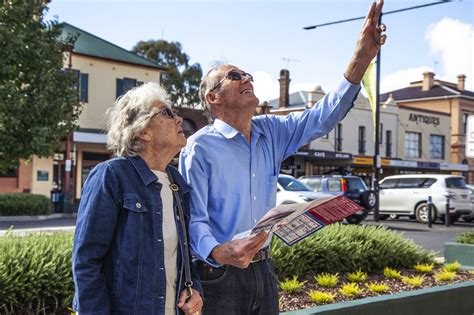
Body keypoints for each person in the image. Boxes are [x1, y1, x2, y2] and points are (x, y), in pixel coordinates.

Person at [179, 1, 387, 314]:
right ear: (213, 98)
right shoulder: (200, 148)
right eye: (236, 76)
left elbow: (321, 118)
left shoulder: (272, 132)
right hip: (218, 277)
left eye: (248, 74)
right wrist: (222, 251)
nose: (247, 79)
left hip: (264, 270)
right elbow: (194, 220)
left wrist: (361, 59)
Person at [72, 82, 203, 315]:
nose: (179, 119)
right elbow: (86, 263)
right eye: (168, 113)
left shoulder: (177, 183)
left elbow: (184, 255)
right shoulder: (112, 175)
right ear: (143, 130)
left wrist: (194, 290)